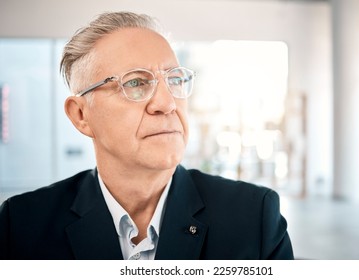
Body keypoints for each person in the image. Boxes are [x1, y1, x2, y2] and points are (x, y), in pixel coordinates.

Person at [0, 11, 294, 260]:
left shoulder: (254, 218)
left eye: (175, 80)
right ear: (81, 115)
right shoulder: (22, 226)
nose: (167, 104)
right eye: (137, 82)